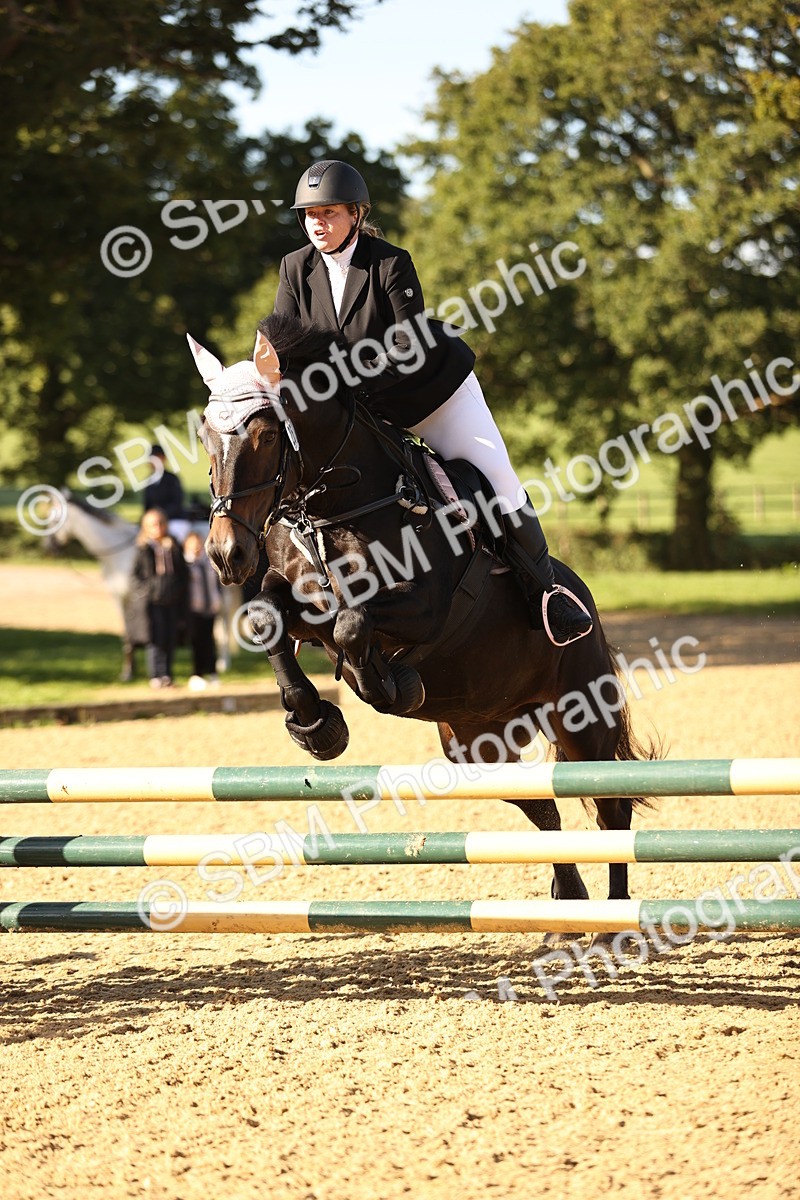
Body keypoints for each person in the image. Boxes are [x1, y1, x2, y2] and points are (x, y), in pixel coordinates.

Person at [272, 159, 592, 645]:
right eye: (310, 215)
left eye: (329, 212)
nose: (317, 223)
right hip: (363, 412)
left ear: (356, 214)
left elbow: (407, 346)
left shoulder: (389, 262)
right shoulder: (295, 268)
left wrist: (341, 379)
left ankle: (546, 593)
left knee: (498, 477)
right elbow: (284, 346)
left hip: (431, 395)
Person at [131, 508, 187, 688]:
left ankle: (167, 675)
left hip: (172, 600)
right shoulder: (143, 548)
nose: (158, 528)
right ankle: (156, 675)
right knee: (156, 639)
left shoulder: (174, 546)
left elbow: (183, 573)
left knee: (170, 638)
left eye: (161, 524)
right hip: (153, 602)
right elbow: (135, 576)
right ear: (146, 527)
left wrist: (177, 590)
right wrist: (150, 590)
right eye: (154, 525)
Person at [183, 531, 221, 689]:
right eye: (192, 544)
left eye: (198, 543)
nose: (196, 547)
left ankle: (212, 672)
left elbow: (216, 583)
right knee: (196, 641)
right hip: (194, 608)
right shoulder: (185, 564)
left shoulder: (209, 563)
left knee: (210, 640)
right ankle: (197, 673)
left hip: (210, 606)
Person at [142, 445, 190, 544]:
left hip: (174, 520)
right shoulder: (149, 481)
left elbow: (177, 503)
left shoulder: (172, 479)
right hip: (154, 522)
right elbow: (147, 505)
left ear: (163, 459)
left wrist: (160, 517)